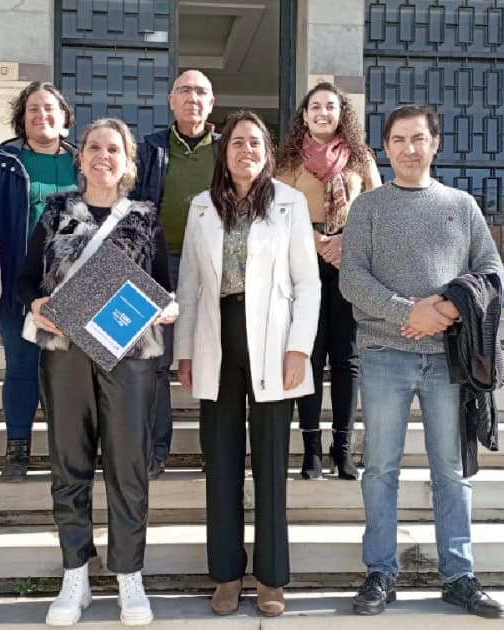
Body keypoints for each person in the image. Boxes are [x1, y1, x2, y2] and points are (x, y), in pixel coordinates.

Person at [338, 104, 504, 619]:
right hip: (385, 354)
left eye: (418, 138)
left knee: (451, 472)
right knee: (380, 468)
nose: (408, 149)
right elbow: (353, 279)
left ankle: (459, 575)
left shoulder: (462, 204)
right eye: (397, 140)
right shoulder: (368, 207)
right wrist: (408, 312)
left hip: (448, 361)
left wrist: (450, 310)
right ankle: (380, 573)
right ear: (384, 149)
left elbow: (493, 270)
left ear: (435, 143)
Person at [17, 118, 177, 627]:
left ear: (128, 161)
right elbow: (26, 280)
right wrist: (36, 303)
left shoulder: (146, 219)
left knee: (128, 466)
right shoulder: (57, 210)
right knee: (69, 463)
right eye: (93, 147)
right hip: (64, 353)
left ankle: (129, 575)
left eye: (113, 149)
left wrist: (167, 307)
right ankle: (75, 575)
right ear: (79, 157)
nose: (102, 155)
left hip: (128, 359)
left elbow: (163, 288)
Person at [173, 111, 320, 618]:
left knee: (272, 466)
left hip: (274, 344)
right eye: (237, 142)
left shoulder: (290, 203)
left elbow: (308, 282)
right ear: (224, 151)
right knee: (222, 465)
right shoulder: (201, 208)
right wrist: (185, 352)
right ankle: (227, 575)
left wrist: (299, 348)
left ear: (267, 151)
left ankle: (272, 578)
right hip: (218, 341)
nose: (246, 150)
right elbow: (188, 285)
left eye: (255, 142)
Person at [275, 81, 381, 480]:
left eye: (330, 107)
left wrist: (343, 241)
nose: (322, 113)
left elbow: (377, 209)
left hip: (349, 262)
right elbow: (277, 210)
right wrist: (315, 240)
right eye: (315, 106)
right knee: (310, 355)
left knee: (346, 359)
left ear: (342, 114)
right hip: (302, 263)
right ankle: (312, 451)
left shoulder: (359, 158)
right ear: (305, 114)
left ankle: (343, 450)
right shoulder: (287, 160)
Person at [0, 81, 78, 481]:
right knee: (22, 366)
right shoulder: (2, 162)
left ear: (65, 118)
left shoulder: (83, 161)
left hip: (73, 287)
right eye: (33, 109)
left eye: (50, 109)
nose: (42, 116)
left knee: (66, 375)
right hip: (19, 285)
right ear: (22, 118)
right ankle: (17, 451)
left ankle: (65, 453)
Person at [132, 69, 220, 480]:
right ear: (171, 100)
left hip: (214, 265)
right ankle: (156, 449)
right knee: (155, 360)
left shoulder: (225, 148)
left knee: (215, 358)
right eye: (184, 91)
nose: (192, 98)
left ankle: (216, 451)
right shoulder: (150, 148)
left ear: (211, 102)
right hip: (158, 263)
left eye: (201, 91)